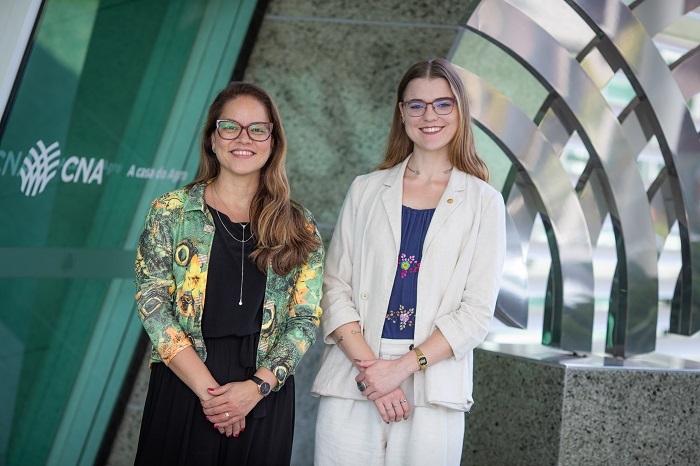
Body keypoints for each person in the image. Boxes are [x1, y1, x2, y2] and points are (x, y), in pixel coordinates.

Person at [311, 58, 506, 465]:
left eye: (442, 104)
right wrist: (375, 372)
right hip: (355, 373)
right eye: (416, 105)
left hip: (434, 382)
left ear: (460, 111)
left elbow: (476, 313)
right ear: (401, 113)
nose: (428, 115)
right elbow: (334, 288)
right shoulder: (365, 190)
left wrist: (398, 369)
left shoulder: (484, 202)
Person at [133, 82, 324, 465]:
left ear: (273, 141)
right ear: (212, 139)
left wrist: (254, 389)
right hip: (186, 381)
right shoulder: (171, 211)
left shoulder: (298, 225)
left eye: (258, 128)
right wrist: (213, 396)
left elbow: (306, 318)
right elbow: (153, 303)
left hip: (264, 390)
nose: (244, 138)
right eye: (230, 127)